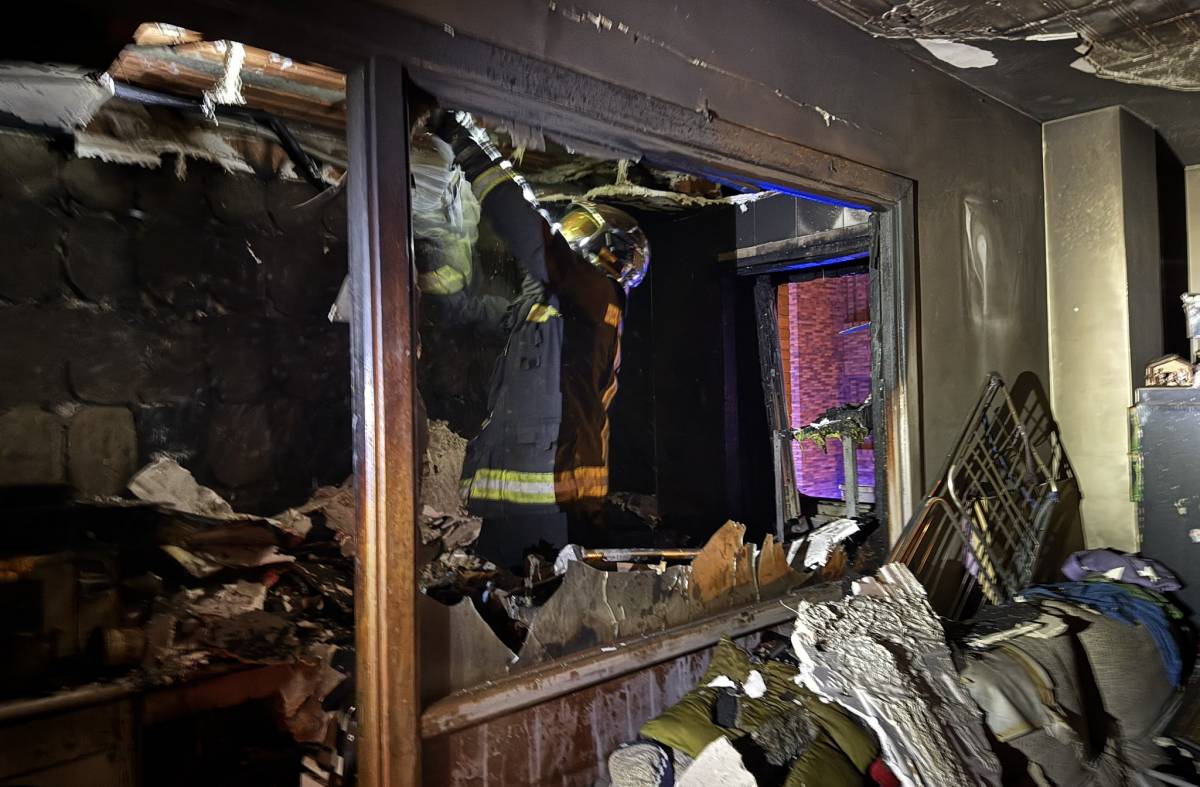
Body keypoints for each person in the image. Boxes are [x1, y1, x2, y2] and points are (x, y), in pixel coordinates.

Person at [426, 109, 650, 569]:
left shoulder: (595, 293)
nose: (571, 238)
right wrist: (426, 271)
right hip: (518, 502)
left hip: (550, 501)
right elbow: (471, 311)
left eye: (585, 232)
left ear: (611, 254)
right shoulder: (550, 310)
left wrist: (464, 145)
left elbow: (529, 232)